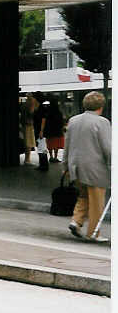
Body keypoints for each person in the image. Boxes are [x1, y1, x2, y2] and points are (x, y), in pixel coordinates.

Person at [65, 91, 111, 242]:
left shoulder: (73, 120)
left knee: (83, 195)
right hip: (95, 168)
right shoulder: (102, 122)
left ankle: (76, 221)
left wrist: (65, 165)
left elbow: (67, 145)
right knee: (97, 201)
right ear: (101, 106)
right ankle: (94, 232)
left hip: (76, 166)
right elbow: (107, 147)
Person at [19, 93, 38, 165]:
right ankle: (27, 160)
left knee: (27, 143)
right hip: (28, 125)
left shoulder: (24, 105)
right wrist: (33, 104)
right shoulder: (30, 104)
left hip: (24, 125)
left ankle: (27, 159)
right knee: (28, 143)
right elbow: (31, 113)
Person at [33, 95, 49, 172]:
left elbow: (43, 120)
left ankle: (44, 165)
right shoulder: (38, 108)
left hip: (41, 131)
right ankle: (42, 164)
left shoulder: (41, 109)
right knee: (40, 148)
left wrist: (41, 131)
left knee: (42, 148)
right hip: (38, 130)